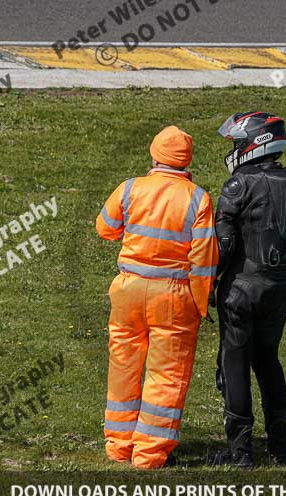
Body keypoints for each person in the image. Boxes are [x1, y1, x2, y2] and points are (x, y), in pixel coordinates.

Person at [96, 125, 218, 469]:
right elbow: (204, 257)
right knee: (167, 373)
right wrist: (200, 301)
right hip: (174, 295)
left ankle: (118, 446)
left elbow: (105, 228)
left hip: (128, 289)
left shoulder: (130, 188)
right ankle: (149, 454)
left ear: (154, 156)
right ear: (186, 162)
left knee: (123, 365)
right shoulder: (198, 198)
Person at [211, 112, 286, 468]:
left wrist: (211, 282)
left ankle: (240, 453)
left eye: (237, 142)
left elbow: (223, 246)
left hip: (239, 291)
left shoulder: (239, 185)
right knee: (268, 362)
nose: (234, 149)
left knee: (235, 364)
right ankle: (281, 447)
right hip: (276, 291)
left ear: (254, 142)